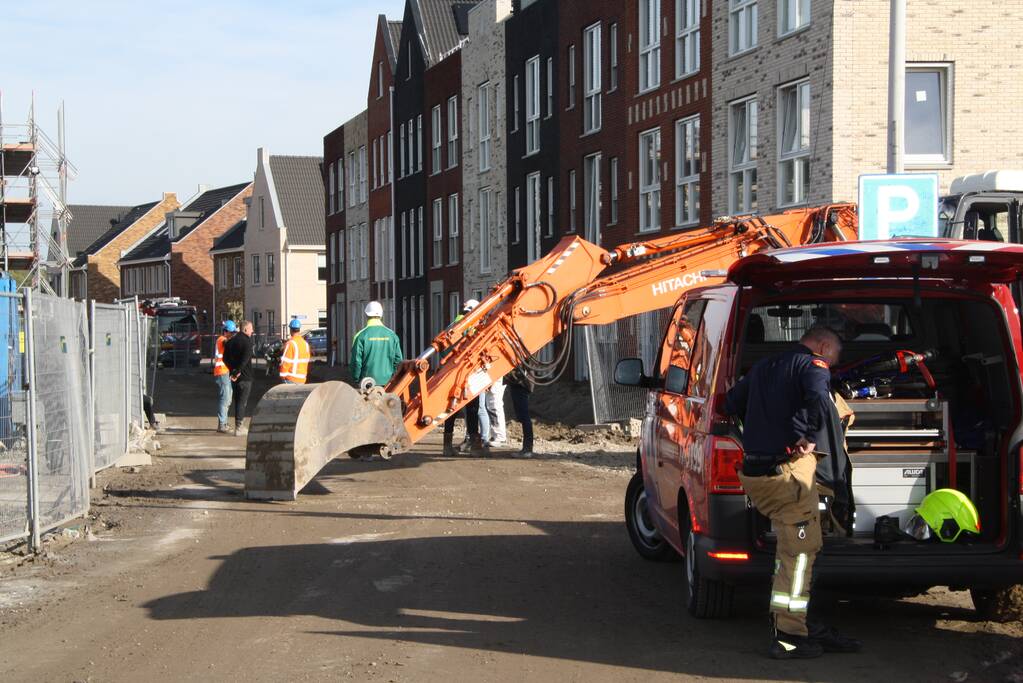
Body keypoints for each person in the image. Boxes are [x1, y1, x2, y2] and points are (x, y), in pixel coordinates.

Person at [724, 327, 861, 659]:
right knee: (798, 555)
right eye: (835, 354)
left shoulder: (763, 367)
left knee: (795, 551)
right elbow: (817, 395)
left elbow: (731, 403)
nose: (834, 361)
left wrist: (761, 430)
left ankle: (795, 624)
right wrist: (811, 434)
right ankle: (789, 635)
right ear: (824, 346)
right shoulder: (813, 366)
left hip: (758, 475)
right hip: (787, 476)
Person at [442, 299, 485, 457]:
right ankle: (474, 445)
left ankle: (447, 446)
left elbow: (444, 348)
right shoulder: (473, 325)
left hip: (451, 372)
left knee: (451, 408)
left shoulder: (452, 324)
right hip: (468, 372)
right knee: (472, 408)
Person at [350, 301, 402, 388]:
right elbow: (398, 360)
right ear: (381, 315)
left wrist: (356, 378)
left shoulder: (360, 336)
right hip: (388, 382)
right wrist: (394, 377)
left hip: (366, 383)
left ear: (366, 315)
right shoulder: (392, 335)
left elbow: (356, 361)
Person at [223, 320, 254, 437]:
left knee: (237, 401)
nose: (252, 331)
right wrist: (238, 371)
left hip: (234, 377)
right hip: (245, 377)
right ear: (245, 329)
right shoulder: (247, 342)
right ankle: (239, 427)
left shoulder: (230, 342)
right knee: (242, 402)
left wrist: (232, 370)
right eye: (251, 329)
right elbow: (245, 359)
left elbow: (225, 358)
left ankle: (239, 425)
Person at [505, 365, 534, 458]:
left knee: (524, 416)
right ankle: (527, 448)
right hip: (518, 382)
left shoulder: (525, 353)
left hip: (521, 383)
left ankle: (527, 449)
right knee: (523, 416)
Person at [213, 320, 235, 433]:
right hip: (222, 372)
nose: (232, 335)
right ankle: (222, 424)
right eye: (231, 333)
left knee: (228, 398)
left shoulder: (225, 339)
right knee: (225, 398)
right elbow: (227, 343)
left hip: (225, 372)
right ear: (225, 331)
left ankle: (224, 423)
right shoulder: (222, 339)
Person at [279, 318, 311, 384]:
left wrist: (282, 375)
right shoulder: (305, 344)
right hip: (302, 379)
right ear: (299, 330)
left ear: (290, 330)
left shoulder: (291, 343)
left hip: (291, 378)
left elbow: (286, 362)